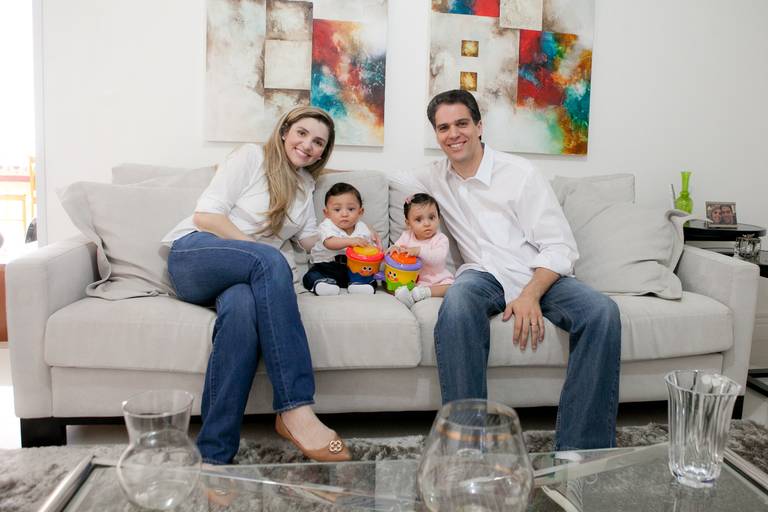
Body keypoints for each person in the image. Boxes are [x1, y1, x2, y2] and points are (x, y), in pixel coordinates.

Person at [393, 90, 621, 450]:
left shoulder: (521, 174)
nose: (453, 134)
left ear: (480, 125)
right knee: (457, 303)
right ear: (436, 135)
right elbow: (383, 180)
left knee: (602, 312)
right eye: (443, 127)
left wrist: (531, 294)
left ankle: (581, 452)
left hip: (535, 272)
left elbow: (560, 247)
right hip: (481, 274)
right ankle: (466, 448)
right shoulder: (433, 178)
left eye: (462, 123)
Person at [162, 106, 351, 465]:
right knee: (269, 258)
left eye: (318, 143)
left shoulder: (306, 185)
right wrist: (258, 253)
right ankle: (295, 410)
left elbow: (310, 240)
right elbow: (207, 215)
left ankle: (214, 454)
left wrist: (351, 237)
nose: (308, 145)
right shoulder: (252, 157)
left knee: (242, 310)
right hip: (196, 255)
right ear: (284, 132)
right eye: (302, 134)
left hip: (241, 279)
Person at [303, 182, 379, 295]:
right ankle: (322, 284)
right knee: (312, 275)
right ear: (327, 213)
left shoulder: (362, 228)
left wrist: (376, 245)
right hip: (327, 266)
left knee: (367, 275)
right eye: (337, 210)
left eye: (351, 209)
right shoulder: (327, 226)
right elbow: (329, 243)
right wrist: (351, 241)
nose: (344, 214)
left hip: (352, 269)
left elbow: (370, 248)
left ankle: (359, 286)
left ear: (360, 212)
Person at [391, 193, 454, 308]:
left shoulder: (441, 239)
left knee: (451, 286)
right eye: (419, 220)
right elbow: (397, 249)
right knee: (399, 287)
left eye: (431, 217)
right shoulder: (407, 236)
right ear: (408, 224)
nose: (427, 223)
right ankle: (410, 298)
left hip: (438, 279)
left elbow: (437, 258)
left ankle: (425, 293)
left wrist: (419, 251)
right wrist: (394, 249)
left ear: (438, 218)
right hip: (414, 281)